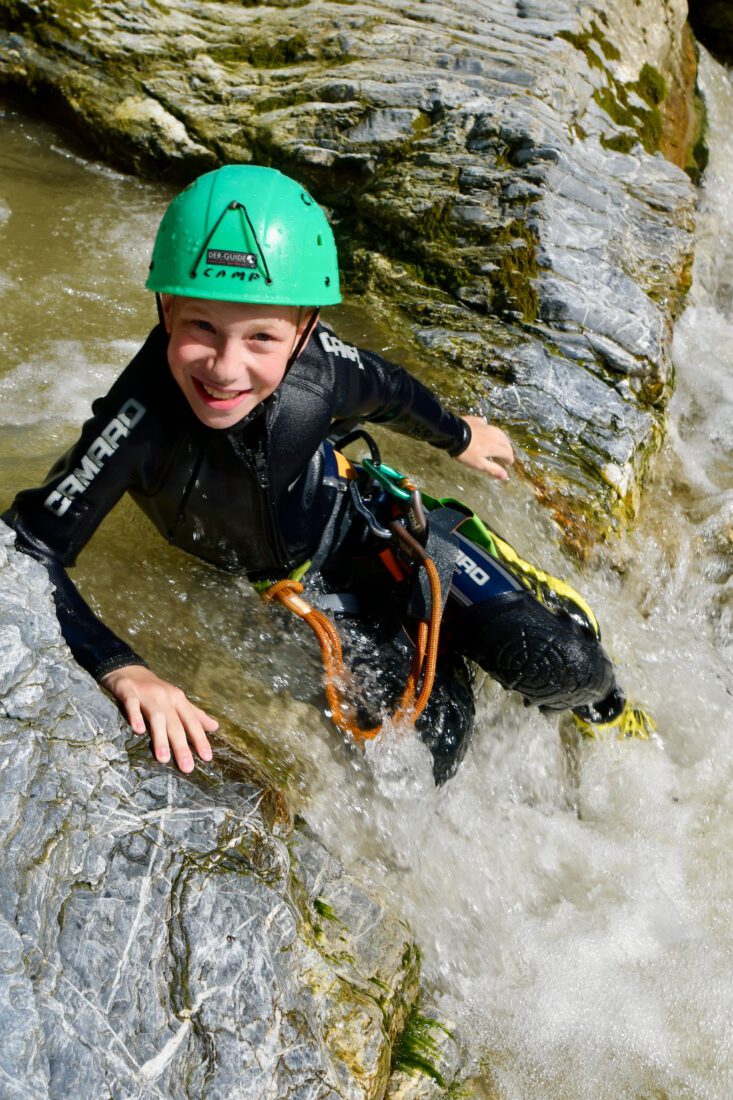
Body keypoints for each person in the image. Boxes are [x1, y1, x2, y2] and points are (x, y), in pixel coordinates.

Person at [2, 165, 646, 783]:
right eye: (202, 326)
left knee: (564, 662)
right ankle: (458, 641)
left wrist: (460, 435)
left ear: (305, 328)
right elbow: (26, 549)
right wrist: (123, 668)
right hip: (295, 593)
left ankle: (596, 688)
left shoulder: (321, 367)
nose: (225, 368)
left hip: (365, 526)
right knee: (439, 745)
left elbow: (391, 390)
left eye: (261, 338)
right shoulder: (136, 422)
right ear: (165, 308)